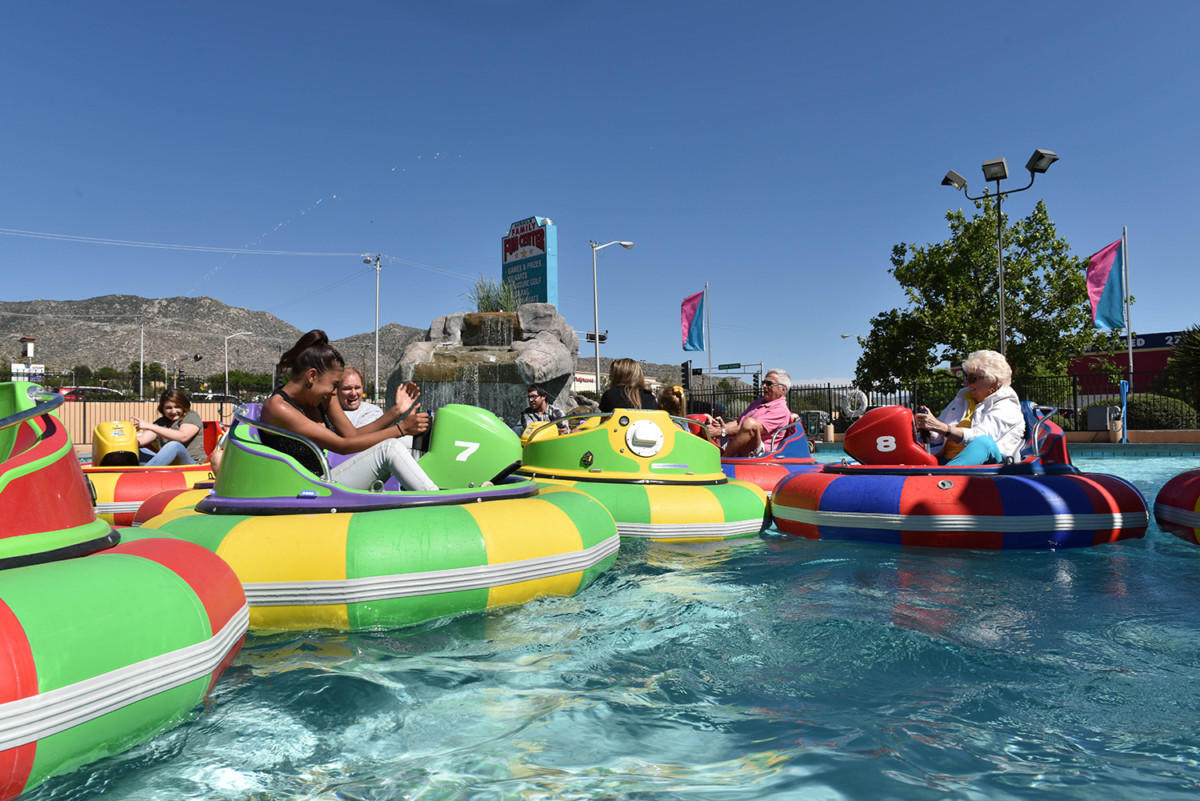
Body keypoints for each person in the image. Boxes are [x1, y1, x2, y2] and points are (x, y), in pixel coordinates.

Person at [259, 329, 437, 491]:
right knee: (389, 448)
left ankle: (438, 484)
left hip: (324, 479)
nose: (334, 392)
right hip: (304, 489)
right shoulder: (278, 408)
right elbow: (342, 446)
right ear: (312, 376)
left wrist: (395, 412)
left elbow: (351, 436)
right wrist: (401, 428)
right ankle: (438, 501)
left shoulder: (323, 396)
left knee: (406, 441)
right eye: (334, 385)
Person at [915, 349, 1024, 465]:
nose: (967, 383)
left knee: (984, 442)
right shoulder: (963, 397)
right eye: (966, 377)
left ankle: (939, 478)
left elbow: (980, 436)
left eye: (972, 378)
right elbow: (938, 435)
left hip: (992, 466)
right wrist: (927, 426)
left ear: (993, 381)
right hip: (949, 460)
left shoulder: (1007, 406)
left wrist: (941, 427)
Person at [708, 369, 793, 458]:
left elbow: (750, 429)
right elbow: (738, 423)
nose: (764, 386)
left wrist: (721, 432)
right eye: (764, 382)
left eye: (769, 384)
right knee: (707, 418)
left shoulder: (781, 410)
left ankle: (723, 460)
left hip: (759, 454)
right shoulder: (758, 402)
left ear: (782, 389)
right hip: (739, 443)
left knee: (750, 423)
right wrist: (722, 427)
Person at [132, 389, 207, 466]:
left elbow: (183, 437)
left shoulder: (191, 416)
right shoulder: (161, 422)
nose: (173, 411)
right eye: (168, 408)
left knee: (174, 445)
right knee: (134, 450)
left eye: (177, 407)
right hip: (169, 463)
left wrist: (150, 426)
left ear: (183, 406)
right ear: (162, 409)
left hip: (191, 463)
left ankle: (145, 474)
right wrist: (124, 439)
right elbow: (142, 439)